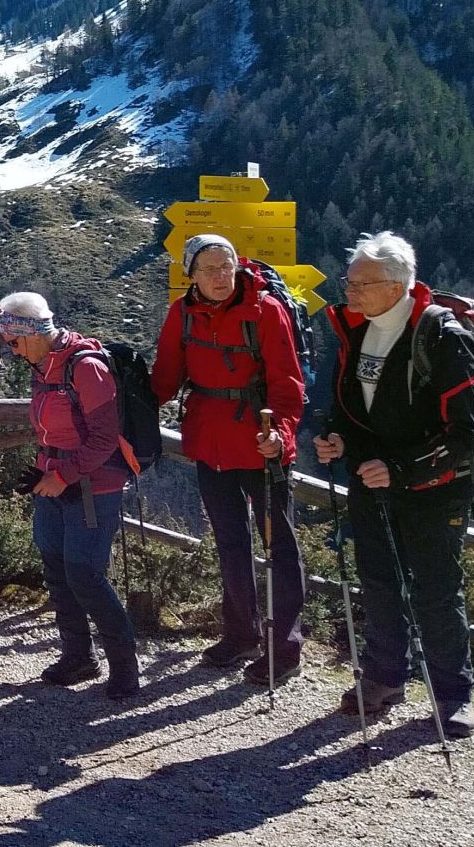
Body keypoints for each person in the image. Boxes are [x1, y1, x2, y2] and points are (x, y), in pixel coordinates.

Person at [315, 232, 474, 739]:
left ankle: (454, 696)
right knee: (379, 581)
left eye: (360, 284)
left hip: (437, 487)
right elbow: (352, 407)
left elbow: (467, 435)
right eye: (349, 282)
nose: (349, 291)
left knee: (436, 589)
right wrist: (337, 438)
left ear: (396, 286)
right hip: (372, 481)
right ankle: (385, 677)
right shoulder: (358, 329)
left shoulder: (443, 336)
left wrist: (402, 469)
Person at [151, 234, 307, 682]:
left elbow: (288, 385)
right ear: (191, 275)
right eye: (210, 269)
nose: (221, 277)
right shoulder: (182, 313)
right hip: (210, 443)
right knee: (230, 542)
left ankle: (285, 648)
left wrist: (281, 436)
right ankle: (241, 634)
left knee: (280, 546)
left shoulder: (265, 310)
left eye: (227, 267)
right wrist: (120, 400)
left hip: (262, 446)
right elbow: (165, 378)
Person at [1, 292, 140, 699]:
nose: (13, 351)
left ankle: (125, 666)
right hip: (53, 480)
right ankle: (78, 657)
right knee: (58, 569)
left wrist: (63, 474)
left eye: (14, 342)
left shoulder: (86, 367)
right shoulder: (43, 366)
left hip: (93, 486)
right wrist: (50, 474)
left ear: (33, 332)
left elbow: (104, 438)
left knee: (84, 574)